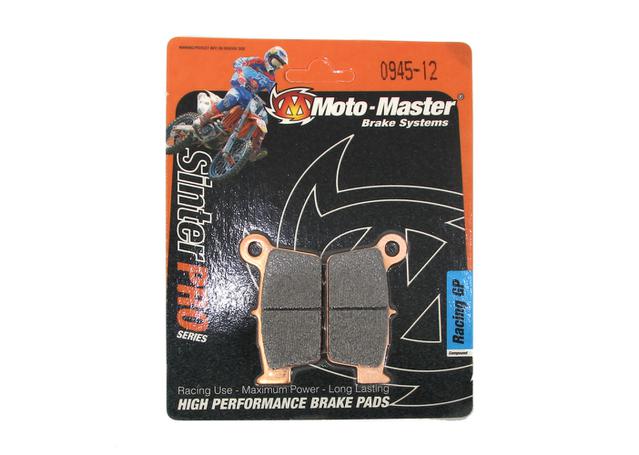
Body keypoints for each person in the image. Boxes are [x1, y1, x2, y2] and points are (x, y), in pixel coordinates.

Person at [193, 46, 288, 160]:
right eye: (276, 62)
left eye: (279, 65)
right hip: (239, 86)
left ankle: (254, 150)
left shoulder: (271, 77)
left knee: (263, 118)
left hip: (249, 96)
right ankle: (202, 119)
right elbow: (239, 61)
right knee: (231, 98)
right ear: (269, 56)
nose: (277, 66)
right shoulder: (257, 61)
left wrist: (280, 102)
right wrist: (241, 74)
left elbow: (273, 92)